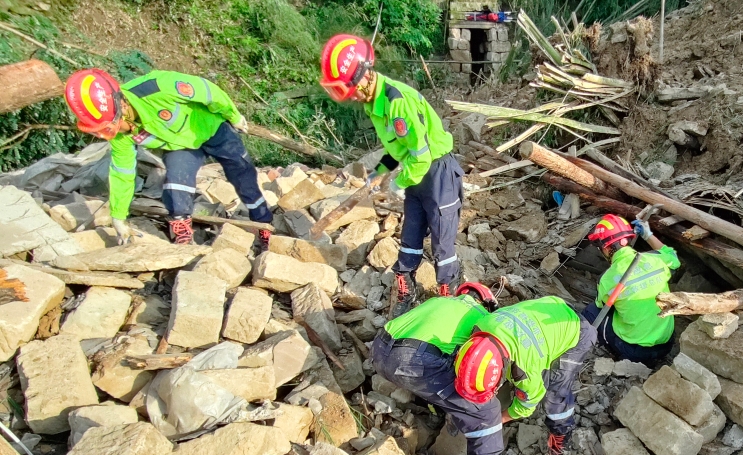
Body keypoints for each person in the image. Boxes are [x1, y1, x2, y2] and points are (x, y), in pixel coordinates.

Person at [319, 34, 464, 316]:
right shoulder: (374, 104)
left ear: (363, 76)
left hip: (437, 173)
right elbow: (398, 148)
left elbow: (421, 154)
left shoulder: (397, 101)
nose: (351, 95)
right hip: (416, 173)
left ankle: (450, 301)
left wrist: (399, 182)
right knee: (410, 235)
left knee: (442, 241)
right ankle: (405, 293)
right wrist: (378, 172)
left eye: (349, 87)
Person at [63, 68, 271, 247]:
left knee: (244, 176)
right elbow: (122, 172)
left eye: (115, 125)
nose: (115, 132)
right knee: (175, 186)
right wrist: (118, 217)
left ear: (123, 106)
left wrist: (234, 116)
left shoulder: (158, 87)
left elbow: (209, 92)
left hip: (212, 129)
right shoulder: (119, 133)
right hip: (181, 146)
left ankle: (263, 225)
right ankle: (183, 237)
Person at [370, 282, 513, 455]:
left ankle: (436, 414)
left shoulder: (437, 301)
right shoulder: (483, 316)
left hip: (379, 350)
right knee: (487, 411)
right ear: (487, 303)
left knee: (445, 368)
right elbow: (481, 362)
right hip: (415, 361)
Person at [454, 296, 597, 455]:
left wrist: (499, 420)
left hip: (574, 330)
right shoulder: (480, 327)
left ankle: (561, 438)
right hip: (549, 307)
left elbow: (526, 406)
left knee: (555, 393)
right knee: (542, 367)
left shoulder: (525, 370)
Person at [582, 214, 680, 364]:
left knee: (590, 312)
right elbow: (673, 256)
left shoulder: (607, 279)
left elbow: (602, 307)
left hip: (634, 351)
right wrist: (648, 236)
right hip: (666, 344)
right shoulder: (656, 259)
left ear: (606, 248)